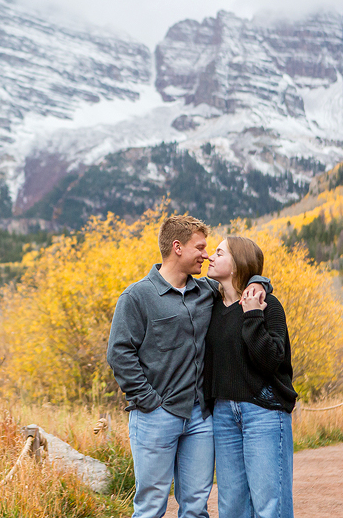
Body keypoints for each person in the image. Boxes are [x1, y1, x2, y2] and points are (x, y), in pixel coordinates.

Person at [106, 214, 217, 518]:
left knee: (196, 507)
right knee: (151, 508)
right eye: (200, 247)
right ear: (177, 247)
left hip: (200, 418)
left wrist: (259, 282)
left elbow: (242, 281)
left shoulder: (207, 292)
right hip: (156, 417)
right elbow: (119, 353)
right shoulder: (137, 296)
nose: (206, 255)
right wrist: (149, 402)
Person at [204, 236, 297, 518]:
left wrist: (253, 315)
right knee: (231, 507)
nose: (211, 256)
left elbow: (271, 360)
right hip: (222, 414)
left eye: (219, 253)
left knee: (270, 505)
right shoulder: (210, 304)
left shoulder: (269, 306)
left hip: (263, 412)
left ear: (236, 264)